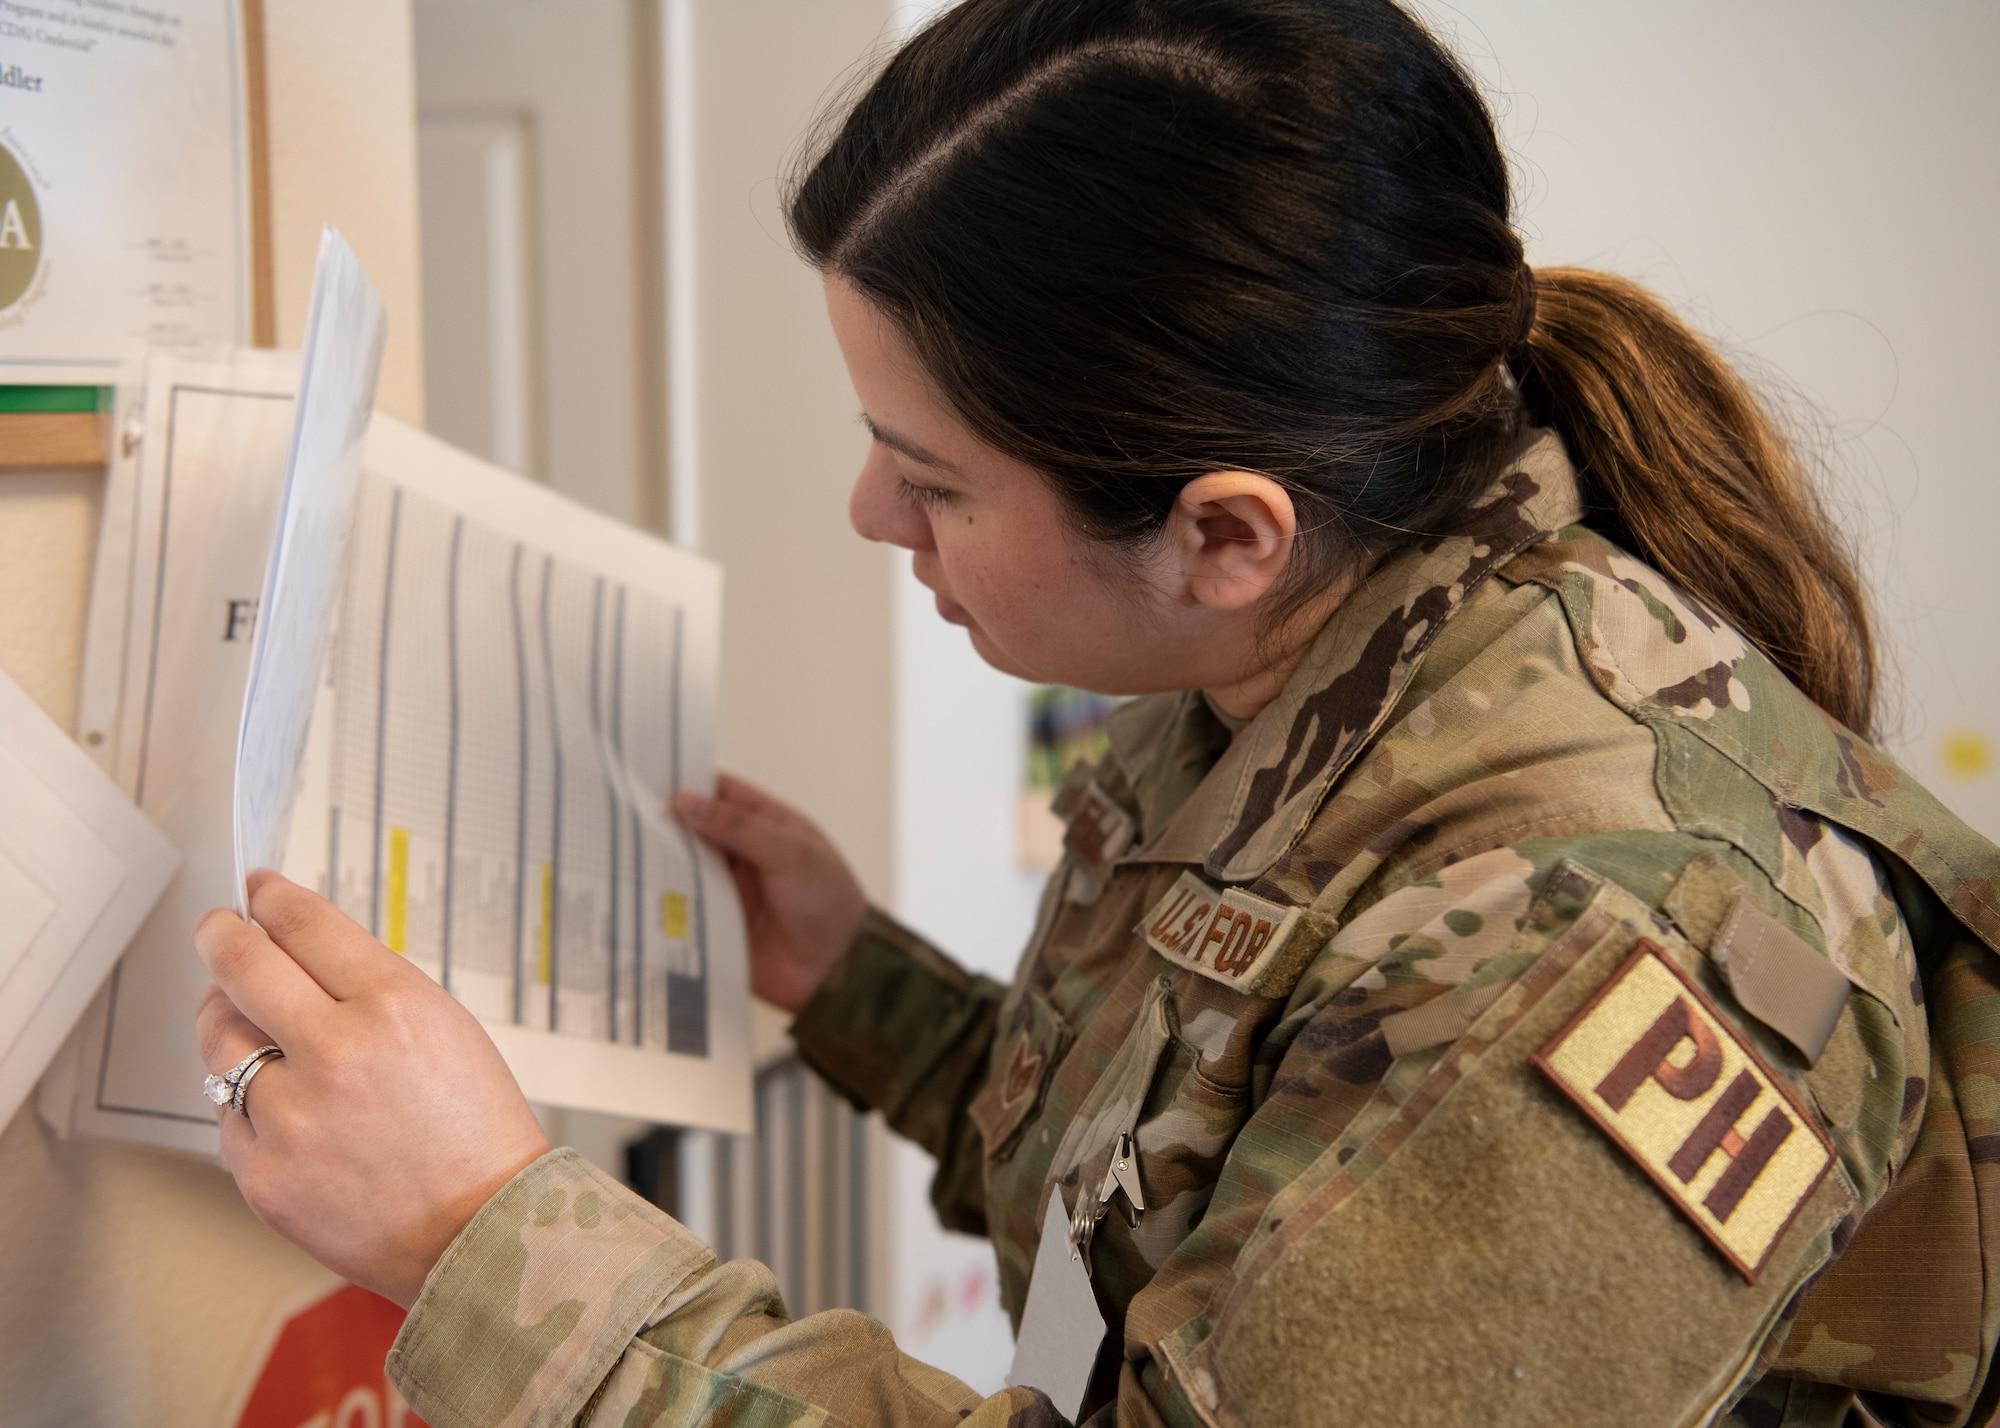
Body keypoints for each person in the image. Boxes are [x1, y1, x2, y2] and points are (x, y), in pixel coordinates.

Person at [190, 1, 2000, 1424]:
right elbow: (1211, 1169)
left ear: (1221, 531)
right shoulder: (1305, 651)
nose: (872, 520)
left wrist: (485, 1238)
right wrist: (859, 987)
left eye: (934, 478)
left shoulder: (1591, 940)